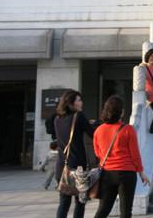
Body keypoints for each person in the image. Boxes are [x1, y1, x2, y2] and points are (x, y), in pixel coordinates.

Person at [93, 95, 150, 218]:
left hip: (107, 173)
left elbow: (97, 153)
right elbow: (135, 154)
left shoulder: (99, 130)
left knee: (103, 210)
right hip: (126, 173)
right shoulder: (128, 130)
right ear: (121, 112)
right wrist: (141, 172)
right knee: (125, 212)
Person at [54, 89, 97, 218]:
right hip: (77, 168)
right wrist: (95, 124)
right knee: (80, 202)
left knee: (64, 203)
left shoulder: (57, 119)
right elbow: (93, 134)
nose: (81, 102)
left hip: (62, 167)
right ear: (70, 103)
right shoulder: (78, 117)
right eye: (78, 100)